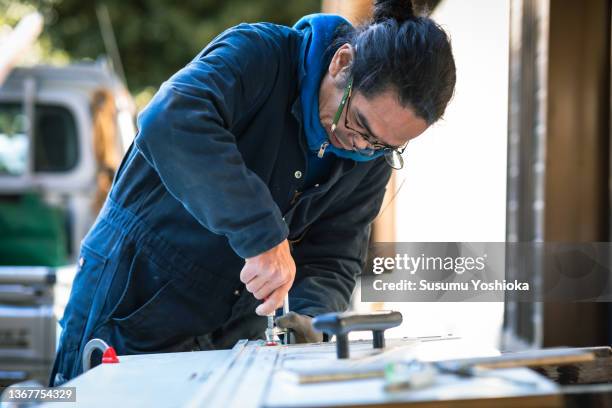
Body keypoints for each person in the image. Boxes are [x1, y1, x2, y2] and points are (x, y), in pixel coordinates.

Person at [50, 0, 455, 385]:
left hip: (231, 338)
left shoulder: (368, 156)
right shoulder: (258, 54)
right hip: (134, 298)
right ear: (342, 63)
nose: (362, 147)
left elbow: (332, 258)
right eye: (361, 125)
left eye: (386, 145)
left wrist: (310, 322)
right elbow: (170, 121)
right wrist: (262, 235)